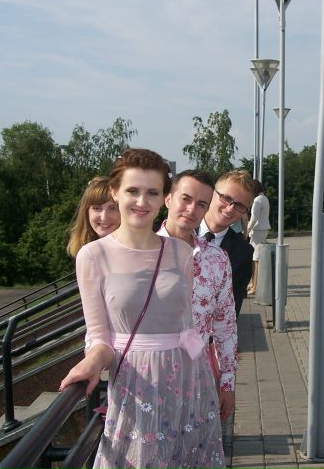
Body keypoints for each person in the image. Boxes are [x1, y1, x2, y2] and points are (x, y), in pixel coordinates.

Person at [59, 149, 224, 469]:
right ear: (115, 192)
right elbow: (99, 335)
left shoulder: (181, 252)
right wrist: (92, 361)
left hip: (189, 378)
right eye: (133, 190)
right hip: (136, 383)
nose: (141, 201)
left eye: (152, 192)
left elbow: (186, 323)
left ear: (164, 198)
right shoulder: (92, 256)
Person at [156, 169, 238, 421]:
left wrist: (227, 382)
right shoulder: (141, 255)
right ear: (168, 199)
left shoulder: (217, 259)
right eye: (186, 199)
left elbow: (225, 324)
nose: (192, 209)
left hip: (198, 380)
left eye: (201, 204)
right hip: (149, 379)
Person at [198, 170, 257, 317]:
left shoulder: (243, 252)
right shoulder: (178, 232)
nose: (230, 208)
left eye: (240, 205)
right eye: (226, 198)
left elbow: (231, 310)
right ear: (212, 193)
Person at [66, 176, 120, 258]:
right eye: (97, 208)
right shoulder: (86, 254)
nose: (104, 217)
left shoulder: (135, 252)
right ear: (86, 212)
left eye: (112, 208)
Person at [245, 180, 270, 296]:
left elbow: (254, 217)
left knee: (256, 259)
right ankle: (253, 283)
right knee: (256, 258)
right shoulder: (264, 198)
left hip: (258, 230)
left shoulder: (257, 200)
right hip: (263, 229)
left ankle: (255, 286)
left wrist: (247, 229)